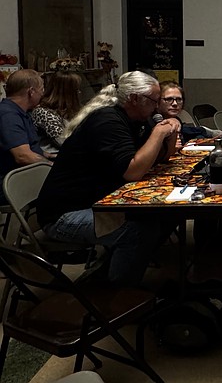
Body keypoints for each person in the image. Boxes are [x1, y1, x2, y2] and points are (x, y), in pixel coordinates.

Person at [36, 70, 181, 286]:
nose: (157, 105)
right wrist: (159, 134)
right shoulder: (108, 121)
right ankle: (115, 295)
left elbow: (160, 159)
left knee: (166, 215)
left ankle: (105, 273)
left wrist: (171, 134)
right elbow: (133, 171)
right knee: (139, 229)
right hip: (66, 214)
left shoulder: (140, 118)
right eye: (154, 100)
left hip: (100, 202)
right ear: (134, 99)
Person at [0, 69, 50, 201]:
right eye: (41, 89)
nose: (42, 93)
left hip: (24, 176)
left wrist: (51, 156)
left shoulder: (21, 112)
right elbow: (23, 156)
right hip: (12, 185)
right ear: (31, 92)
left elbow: (30, 147)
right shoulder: (8, 115)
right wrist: (52, 166)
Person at [30, 71, 83, 155]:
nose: (79, 92)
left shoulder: (70, 110)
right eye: (76, 90)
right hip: (54, 159)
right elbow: (63, 141)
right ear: (68, 93)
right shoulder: (43, 112)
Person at [157, 81, 222, 149]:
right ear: (157, 101)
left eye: (179, 99)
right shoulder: (152, 123)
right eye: (169, 99)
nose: (175, 103)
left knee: (198, 136)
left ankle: (202, 130)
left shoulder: (177, 119)